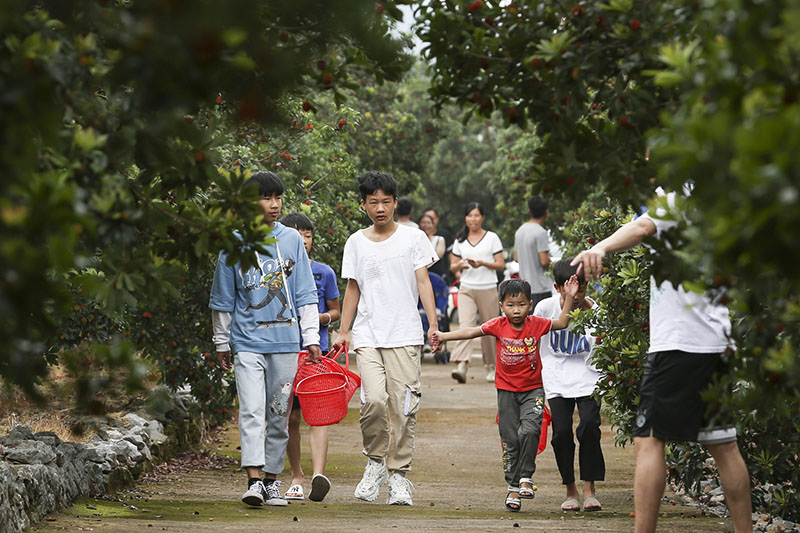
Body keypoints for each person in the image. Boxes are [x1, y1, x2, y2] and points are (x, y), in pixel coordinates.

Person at [571, 190, 752, 533]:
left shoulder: (678, 191)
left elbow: (641, 227)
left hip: (679, 341)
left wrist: (601, 247)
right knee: (723, 443)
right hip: (715, 338)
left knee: (649, 439)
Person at [209, 171, 323, 507]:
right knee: (252, 410)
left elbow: (304, 290)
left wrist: (311, 335)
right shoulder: (234, 243)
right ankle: (254, 479)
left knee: (279, 411)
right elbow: (223, 296)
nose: (273, 205)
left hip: (286, 343)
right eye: (265, 198)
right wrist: (221, 341)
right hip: (247, 342)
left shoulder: (290, 240)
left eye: (277, 198)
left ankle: (273, 480)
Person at [333, 171, 439, 506]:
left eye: (386, 201)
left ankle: (399, 477)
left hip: (405, 333)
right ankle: (375, 462)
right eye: (373, 202)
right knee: (374, 401)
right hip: (368, 334)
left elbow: (424, 282)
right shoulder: (356, 242)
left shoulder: (413, 238)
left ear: (395, 202)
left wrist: (433, 325)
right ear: (363, 204)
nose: (380, 208)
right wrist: (344, 330)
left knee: (404, 409)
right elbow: (353, 287)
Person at [430, 277, 581, 512]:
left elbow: (562, 322)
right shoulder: (498, 325)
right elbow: (472, 331)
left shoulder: (537, 324)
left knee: (531, 430)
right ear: (501, 306)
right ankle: (512, 487)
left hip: (533, 390)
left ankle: (525, 478)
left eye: (521, 304)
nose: (517, 310)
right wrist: (443, 336)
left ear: (530, 305)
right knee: (510, 440)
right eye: (511, 305)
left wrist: (570, 297)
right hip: (506, 392)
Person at [278, 212, 341, 503]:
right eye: (297, 234)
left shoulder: (324, 272)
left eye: (308, 235)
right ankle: (296, 476)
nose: (304, 240)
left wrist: (321, 319)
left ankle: (318, 475)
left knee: (318, 416)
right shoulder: (274, 272)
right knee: (291, 417)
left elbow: (336, 309)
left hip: (317, 353)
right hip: (286, 351)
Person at [533, 259, 605, 513]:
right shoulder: (545, 308)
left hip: (588, 377)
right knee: (561, 432)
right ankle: (570, 489)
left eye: (582, 289)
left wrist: (583, 302)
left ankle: (589, 488)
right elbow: (530, 335)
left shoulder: (596, 311)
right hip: (556, 377)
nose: (576, 296)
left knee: (589, 427)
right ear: (557, 287)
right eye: (570, 290)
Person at [449, 202, 505, 383]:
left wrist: (482, 263)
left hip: (488, 287)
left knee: (488, 328)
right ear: (465, 218)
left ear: (482, 217)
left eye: (476, 215)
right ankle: (462, 365)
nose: (473, 219)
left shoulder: (492, 238)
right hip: (466, 287)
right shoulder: (460, 240)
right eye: (469, 215)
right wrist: (460, 265)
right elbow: (453, 266)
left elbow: (500, 264)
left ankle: (491, 366)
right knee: (465, 326)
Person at [514, 196, 552, 310]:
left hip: (525, 288)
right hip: (541, 287)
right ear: (546, 212)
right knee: (541, 324)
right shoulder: (540, 232)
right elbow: (544, 261)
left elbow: (516, 258)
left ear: (529, 211)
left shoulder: (520, 231)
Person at [421, 206, 452, 281]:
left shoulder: (443, 235)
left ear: (437, 219)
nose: (427, 224)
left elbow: (450, 256)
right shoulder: (417, 236)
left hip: (439, 276)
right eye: (426, 219)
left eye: (432, 218)